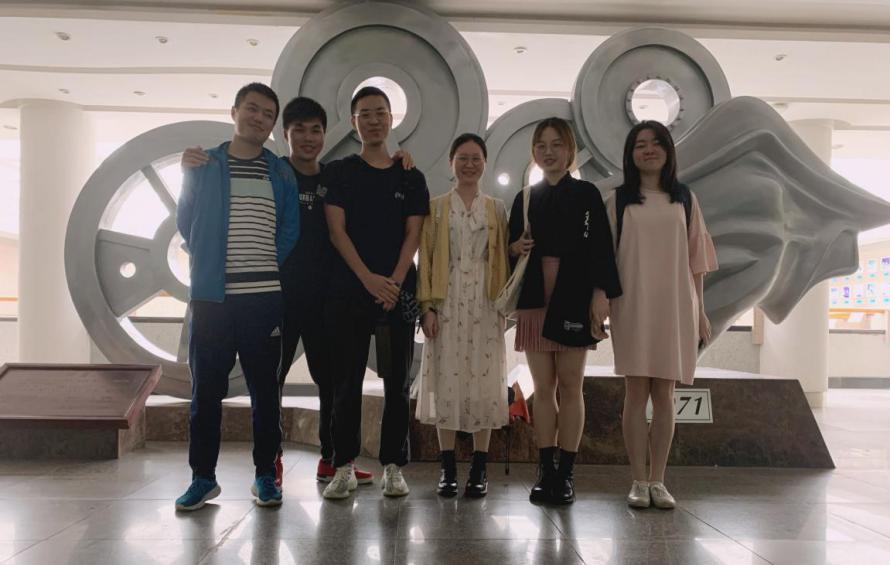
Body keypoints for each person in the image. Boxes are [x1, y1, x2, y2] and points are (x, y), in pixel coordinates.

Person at [179, 96, 413, 489]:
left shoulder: (334, 176)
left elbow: (374, 178)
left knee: (333, 383)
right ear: (284, 134)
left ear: (325, 134)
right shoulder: (274, 172)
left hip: (325, 300)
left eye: (315, 130)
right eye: (298, 130)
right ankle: (271, 463)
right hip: (276, 298)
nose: (308, 138)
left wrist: (402, 158)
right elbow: (199, 218)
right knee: (270, 383)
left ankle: (332, 460)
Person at [174, 82, 299, 511]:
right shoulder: (204, 164)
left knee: (265, 392)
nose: (259, 118)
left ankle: (265, 476)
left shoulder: (280, 172)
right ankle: (202, 478)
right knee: (205, 392)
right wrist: (211, 262)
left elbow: (289, 229)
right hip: (211, 299)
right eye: (252, 109)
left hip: (263, 299)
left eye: (268, 114)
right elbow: (186, 222)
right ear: (234, 112)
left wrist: (264, 263)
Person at [322, 86, 430, 500]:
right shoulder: (340, 171)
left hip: (397, 293)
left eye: (380, 112)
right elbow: (336, 232)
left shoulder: (410, 175)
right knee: (345, 382)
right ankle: (343, 465)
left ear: (391, 118)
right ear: (354, 122)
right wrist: (367, 278)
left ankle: (393, 466)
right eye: (364, 114)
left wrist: (395, 282)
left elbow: (414, 234)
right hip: (349, 289)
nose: (373, 120)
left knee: (397, 383)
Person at [508, 117, 621, 505]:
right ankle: (546, 471)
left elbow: (601, 248)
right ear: (533, 152)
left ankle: (567, 473)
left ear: (570, 150)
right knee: (543, 388)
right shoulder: (525, 197)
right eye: (541, 145)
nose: (549, 152)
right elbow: (509, 249)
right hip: (535, 296)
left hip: (575, 294)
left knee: (571, 386)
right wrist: (515, 248)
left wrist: (600, 295)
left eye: (557, 144)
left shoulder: (587, 194)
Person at [607, 120, 718, 510]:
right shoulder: (618, 200)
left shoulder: (684, 198)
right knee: (636, 393)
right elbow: (605, 260)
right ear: (630, 154)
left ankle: (659, 480)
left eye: (656, 143)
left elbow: (697, 261)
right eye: (640, 144)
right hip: (632, 304)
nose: (648, 150)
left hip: (676, 305)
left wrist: (700, 312)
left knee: (665, 396)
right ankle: (638, 480)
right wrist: (599, 300)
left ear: (668, 151)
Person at [415, 133, 510, 498]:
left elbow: (503, 257)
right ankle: (448, 468)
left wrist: (504, 306)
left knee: (484, 384)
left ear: (485, 163)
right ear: (451, 162)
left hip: (485, 303)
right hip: (448, 301)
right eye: (463, 158)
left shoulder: (496, 208)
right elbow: (426, 260)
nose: (469, 164)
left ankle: (480, 468)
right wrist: (427, 308)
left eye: (476, 158)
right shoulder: (436, 207)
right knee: (447, 382)